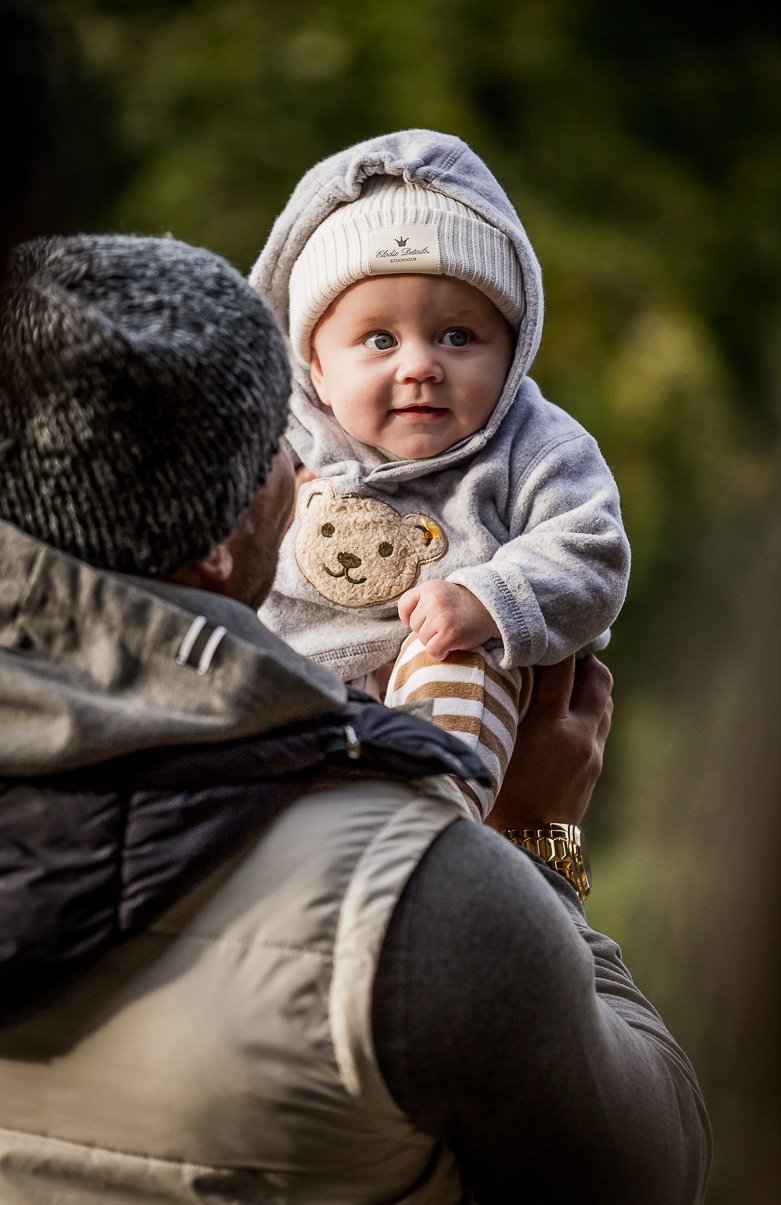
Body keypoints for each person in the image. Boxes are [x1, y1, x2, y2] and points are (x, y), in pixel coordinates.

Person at [0, 233, 710, 1203]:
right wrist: (535, 845)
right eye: (284, 453)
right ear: (219, 540)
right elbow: (648, 1167)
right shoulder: (428, 898)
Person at [250, 128, 631, 818]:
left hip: (457, 667)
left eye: (458, 336)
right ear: (317, 368)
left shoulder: (534, 444)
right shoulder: (277, 444)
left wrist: (490, 598)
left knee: (456, 660)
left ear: (513, 352)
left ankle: (430, 824)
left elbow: (592, 551)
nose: (421, 364)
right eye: (379, 339)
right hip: (305, 680)